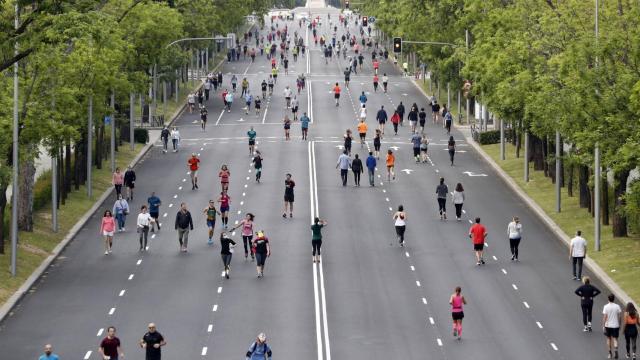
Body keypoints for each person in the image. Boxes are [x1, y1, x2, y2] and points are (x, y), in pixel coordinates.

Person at [603, 294, 622, 360]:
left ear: (608, 299)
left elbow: (605, 317)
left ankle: (609, 353)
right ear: (614, 299)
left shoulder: (606, 306)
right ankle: (616, 350)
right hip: (615, 325)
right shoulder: (617, 306)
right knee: (615, 339)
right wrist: (619, 324)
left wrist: (603, 325)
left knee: (608, 339)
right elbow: (620, 316)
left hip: (608, 325)